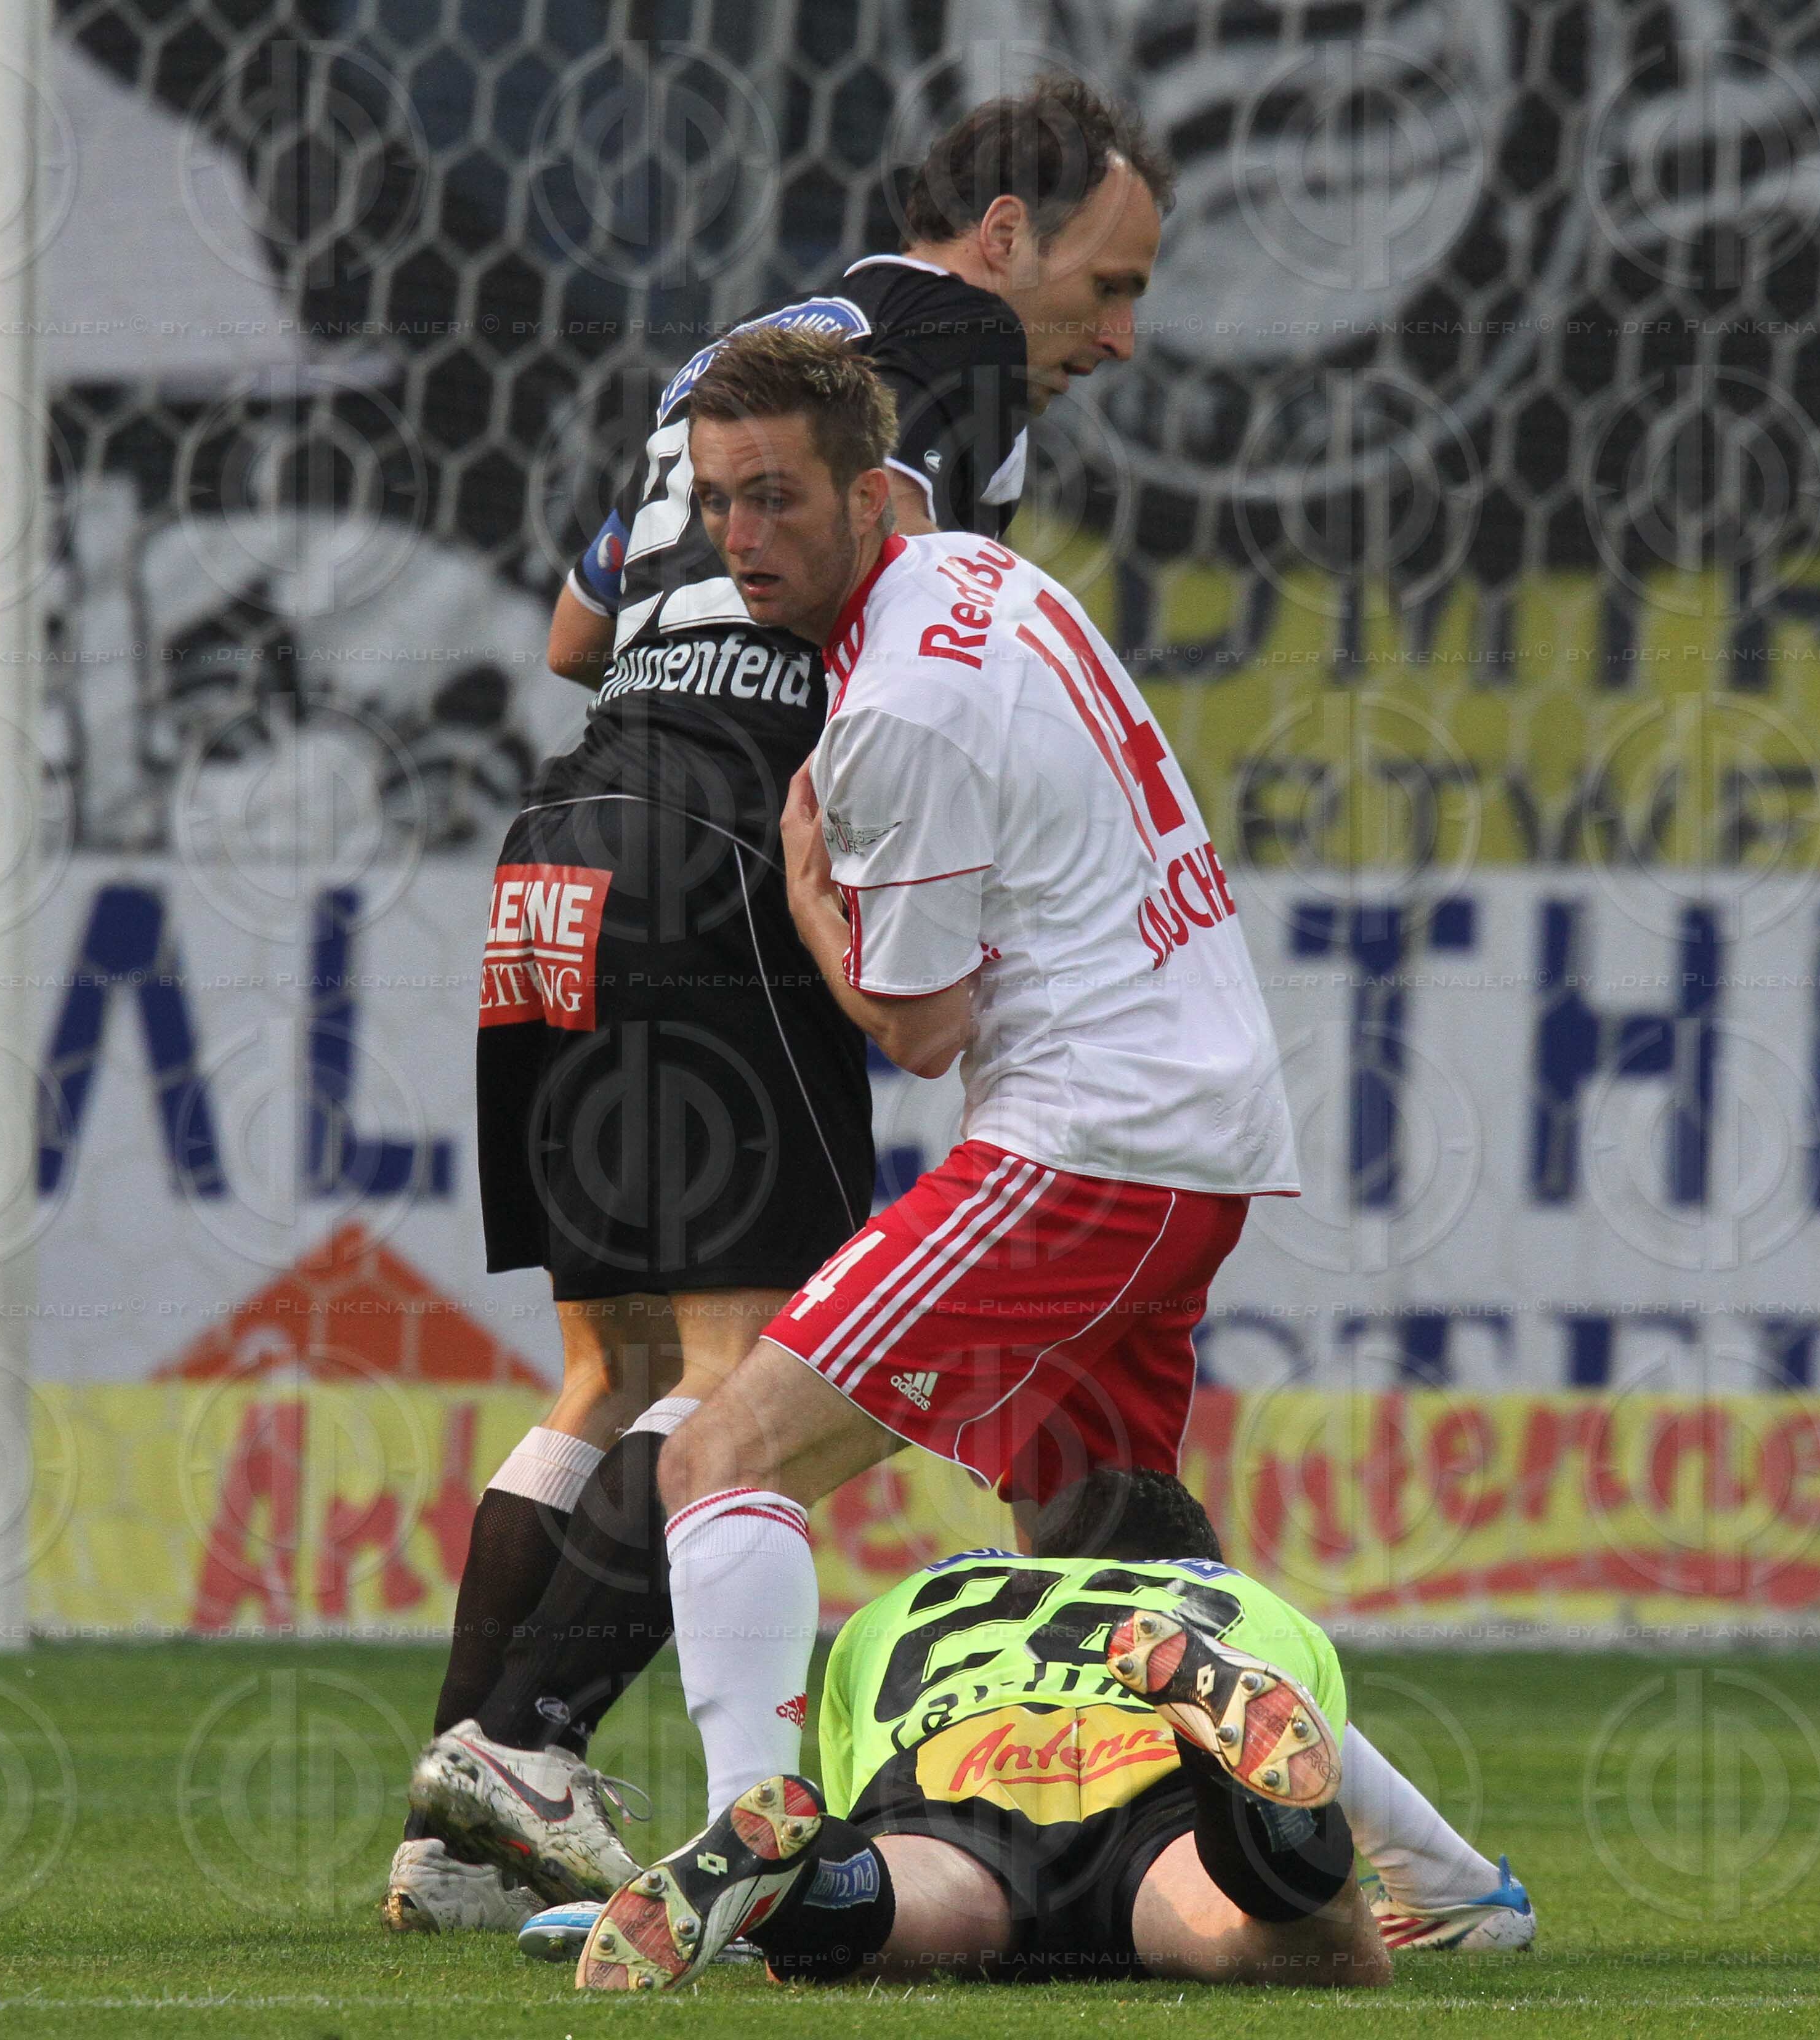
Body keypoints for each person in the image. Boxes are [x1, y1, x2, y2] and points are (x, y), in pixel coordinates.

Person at [415, 325, 1537, 1958]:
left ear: (869, 493)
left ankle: (748, 1847)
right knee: (1104, 1558)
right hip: (1193, 1125)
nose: (740, 539)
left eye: (776, 499)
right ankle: (1450, 1884)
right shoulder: (974, 577)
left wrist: (809, 901)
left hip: (1084, 1146)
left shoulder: (895, 714)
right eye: (716, 502)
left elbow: (920, 1027)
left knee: (723, 1456)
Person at [392, 75, 1175, 1931]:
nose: (1119, 336)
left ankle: (457, 1829)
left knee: (612, 1368)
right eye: (1110, 284)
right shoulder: (954, 348)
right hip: (725, 856)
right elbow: (914, 615)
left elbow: (573, 631)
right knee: (747, 1371)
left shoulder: (742, 361)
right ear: (1004, 237)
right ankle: (532, 1746)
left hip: (566, 844)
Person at [566, 1470, 1524, 1989]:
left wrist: (852, 1846)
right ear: (1190, 1559)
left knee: (905, 1907)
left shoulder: (909, 1599)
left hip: (954, 1775)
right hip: (1149, 1792)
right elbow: (1322, 1750)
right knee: (1312, 1950)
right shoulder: (1242, 1599)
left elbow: (860, 1790)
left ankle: (810, 1888)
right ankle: (1241, 1802)